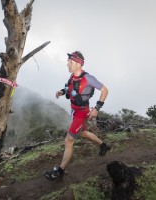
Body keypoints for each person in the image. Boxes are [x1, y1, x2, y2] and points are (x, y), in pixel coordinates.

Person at [44, 51, 110, 181]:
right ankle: (103, 145)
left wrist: (96, 108)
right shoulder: (72, 78)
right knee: (83, 133)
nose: (67, 64)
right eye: (68, 61)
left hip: (82, 112)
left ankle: (60, 172)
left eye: (70, 62)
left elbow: (105, 90)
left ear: (79, 63)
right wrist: (61, 92)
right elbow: (69, 89)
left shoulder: (88, 78)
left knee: (69, 140)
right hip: (75, 111)